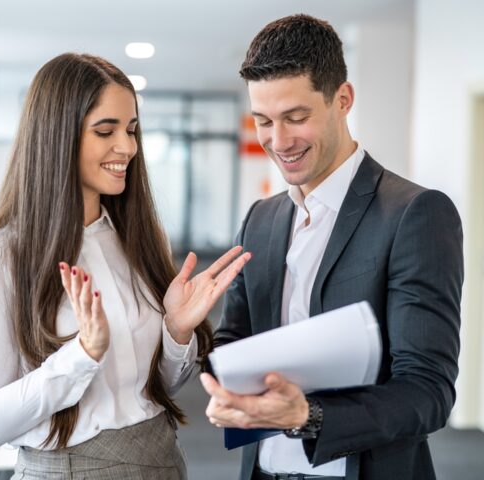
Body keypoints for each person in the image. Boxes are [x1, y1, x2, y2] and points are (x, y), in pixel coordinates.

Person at [0, 53, 250, 480]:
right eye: (105, 130)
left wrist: (176, 330)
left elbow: (158, 391)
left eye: (131, 130)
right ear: (57, 136)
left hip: (162, 462)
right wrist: (80, 356)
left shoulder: (140, 240)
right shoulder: (0, 258)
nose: (128, 147)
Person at [200, 14, 463, 480]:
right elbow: (235, 341)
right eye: (263, 121)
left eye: (296, 118)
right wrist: (189, 338)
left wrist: (308, 417)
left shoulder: (414, 213)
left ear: (343, 99)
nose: (278, 141)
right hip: (262, 471)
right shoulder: (260, 219)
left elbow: (428, 392)